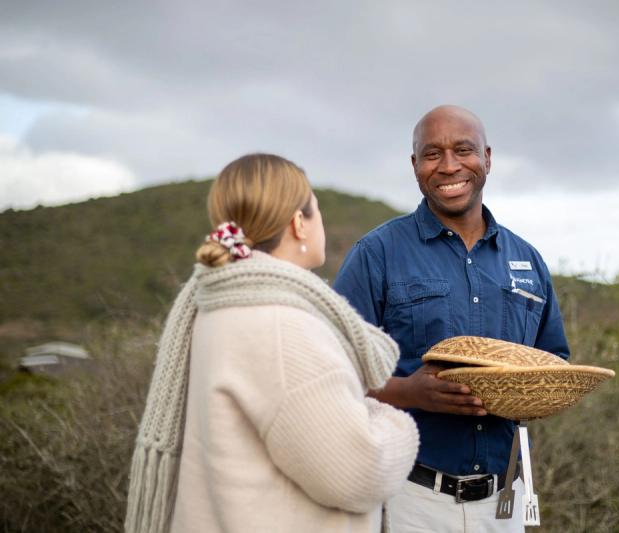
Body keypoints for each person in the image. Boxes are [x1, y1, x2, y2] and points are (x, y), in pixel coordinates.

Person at [125, 154, 419, 533]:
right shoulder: (285, 326)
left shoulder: (213, 305)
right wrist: (390, 421)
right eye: (317, 208)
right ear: (299, 223)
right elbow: (358, 473)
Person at [333, 105, 570, 532]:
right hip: (409, 497)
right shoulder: (376, 255)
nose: (448, 166)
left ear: (487, 158)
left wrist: (529, 394)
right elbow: (330, 375)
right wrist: (408, 392)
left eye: (463, 150)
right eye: (432, 154)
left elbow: (554, 362)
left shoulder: (527, 260)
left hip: (505, 501)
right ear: (414, 165)